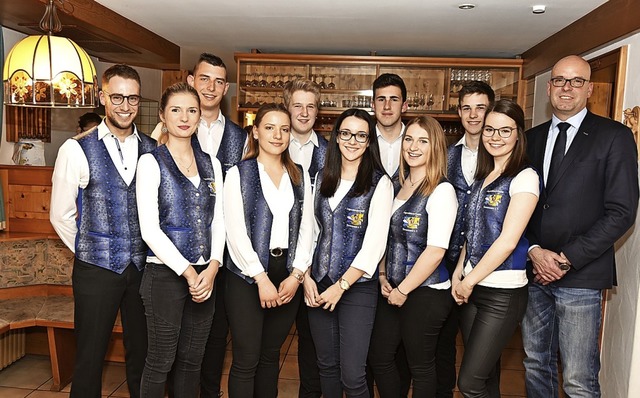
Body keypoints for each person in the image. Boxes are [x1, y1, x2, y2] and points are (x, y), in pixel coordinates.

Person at [522, 55, 639, 398]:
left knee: (577, 377)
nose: (567, 88)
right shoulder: (531, 138)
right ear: (549, 87)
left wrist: (565, 258)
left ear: (589, 88)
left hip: (582, 274)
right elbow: (521, 205)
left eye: (576, 81)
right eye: (560, 80)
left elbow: (622, 211)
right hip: (534, 270)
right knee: (535, 364)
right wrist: (534, 251)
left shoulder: (614, 137)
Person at [50, 64, 156, 398]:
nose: (126, 106)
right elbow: (61, 215)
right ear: (103, 97)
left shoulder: (154, 149)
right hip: (95, 271)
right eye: (118, 97)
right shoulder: (76, 148)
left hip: (143, 270)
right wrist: (91, 250)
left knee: (143, 353)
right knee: (90, 357)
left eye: (133, 99)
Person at [135, 82, 224, 397]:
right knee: (161, 361)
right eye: (176, 109)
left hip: (206, 277)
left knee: (191, 361)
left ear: (200, 116)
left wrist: (212, 267)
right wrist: (188, 272)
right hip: (164, 275)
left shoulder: (211, 163)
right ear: (163, 115)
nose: (184, 117)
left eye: (191, 110)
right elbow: (150, 229)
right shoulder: (150, 162)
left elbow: (219, 220)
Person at [223, 103, 314, 397]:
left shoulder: (300, 175)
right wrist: (260, 278)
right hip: (246, 276)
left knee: (270, 355)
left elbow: (307, 228)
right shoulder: (238, 173)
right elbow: (235, 232)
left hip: (287, 274)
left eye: (284, 129)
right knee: (247, 358)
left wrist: (297, 274)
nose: (278, 135)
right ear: (256, 132)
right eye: (270, 128)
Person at [452, 99, 540, 397]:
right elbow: (471, 233)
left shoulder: (525, 178)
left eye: (505, 130)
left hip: (502, 293)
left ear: (518, 134)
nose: (495, 136)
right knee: (486, 377)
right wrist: (458, 273)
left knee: (469, 382)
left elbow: (508, 241)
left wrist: (469, 281)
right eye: (490, 129)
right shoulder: (483, 175)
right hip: (472, 286)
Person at [306, 108, 393, 398]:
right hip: (319, 282)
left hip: (357, 288)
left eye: (360, 135)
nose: (352, 141)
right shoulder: (321, 177)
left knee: (353, 375)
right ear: (337, 137)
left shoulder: (379, 183)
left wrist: (342, 285)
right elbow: (310, 231)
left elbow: (375, 244)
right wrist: (305, 275)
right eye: (346, 133)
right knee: (326, 366)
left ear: (369, 142)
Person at [368, 116, 457, 397]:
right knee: (380, 357)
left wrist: (404, 290)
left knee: (421, 366)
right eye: (409, 139)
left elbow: (435, 251)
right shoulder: (398, 185)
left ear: (436, 147)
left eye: (423, 140)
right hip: (392, 288)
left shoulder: (442, 190)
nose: (413, 146)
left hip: (426, 292)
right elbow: (386, 236)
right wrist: (382, 275)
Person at [185, 53, 247, 398]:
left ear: (226, 88)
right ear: (192, 80)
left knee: (215, 331)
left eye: (219, 81)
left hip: (226, 252)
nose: (211, 87)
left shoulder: (241, 137)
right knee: (178, 333)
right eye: (204, 78)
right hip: (180, 251)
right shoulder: (168, 130)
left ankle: (209, 392)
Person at [439, 81, 495, 398]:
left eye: (481, 108)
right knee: (442, 342)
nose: (474, 115)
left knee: (483, 353)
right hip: (446, 264)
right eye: (467, 108)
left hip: (486, 266)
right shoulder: (447, 155)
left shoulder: (505, 155)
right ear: (459, 112)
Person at [283, 78, 327, 398]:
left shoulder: (333, 152)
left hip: (317, 265)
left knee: (313, 343)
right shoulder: (272, 146)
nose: (304, 112)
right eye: (298, 105)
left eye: (310, 106)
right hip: (278, 262)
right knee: (268, 345)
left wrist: (309, 269)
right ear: (287, 108)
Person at [372, 73, 408, 177]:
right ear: (373, 105)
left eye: (394, 99)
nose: (387, 106)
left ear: (404, 106)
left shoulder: (418, 143)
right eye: (381, 99)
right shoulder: (362, 141)